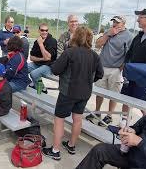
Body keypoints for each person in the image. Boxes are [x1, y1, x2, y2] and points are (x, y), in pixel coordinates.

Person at [42, 26, 104, 160]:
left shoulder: (69, 52)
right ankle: (71, 145)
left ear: (75, 37)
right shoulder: (94, 55)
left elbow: (56, 70)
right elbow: (100, 74)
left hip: (68, 92)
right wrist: (89, 80)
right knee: (77, 119)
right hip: (85, 92)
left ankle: (55, 150)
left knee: (59, 119)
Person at [85, 15, 132, 126]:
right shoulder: (108, 31)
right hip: (103, 66)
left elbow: (129, 55)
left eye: (117, 22)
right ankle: (97, 112)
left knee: (113, 94)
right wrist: (108, 34)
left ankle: (109, 115)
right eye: (113, 22)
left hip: (116, 69)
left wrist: (120, 68)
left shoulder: (128, 36)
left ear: (123, 24)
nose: (115, 24)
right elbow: (98, 44)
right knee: (99, 92)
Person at [76, 110, 146, 169]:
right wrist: (131, 130)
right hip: (133, 153)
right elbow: (138, 126)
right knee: (100, 150)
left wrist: (139, 142)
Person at [121, 8, 146, 118]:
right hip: (131, 77)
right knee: (126, 100)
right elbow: (129, 54)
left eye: (140, 17)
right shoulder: (139, 36)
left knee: (144, 107)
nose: (137, 20)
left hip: (144, 80)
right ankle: (123, 122)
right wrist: (126, 66)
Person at [28, 23, 57, 94]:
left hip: (49, 66)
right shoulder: (36, 41)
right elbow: (31, 58)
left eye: (46, 30)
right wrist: (41, 59)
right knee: (23, 68)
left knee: (34, 74)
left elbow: (47, 58)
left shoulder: (52, 41)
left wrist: (41, 44)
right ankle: (34, 84)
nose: (44, 32)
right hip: (37, 64)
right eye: (42, 30)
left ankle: (42, 90)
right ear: (39, 31)